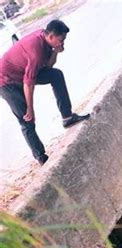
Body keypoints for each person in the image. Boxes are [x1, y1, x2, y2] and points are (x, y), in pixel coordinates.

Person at [0, 19, 89, 165]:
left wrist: (55, 51)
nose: (62, 43)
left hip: (21, 74)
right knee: (27, 119)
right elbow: (28, 84)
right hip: (6, 81)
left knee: (56, 75)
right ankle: (41, 157)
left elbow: (48, 66)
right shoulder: (35, 50)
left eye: (64, 40)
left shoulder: (47, 42)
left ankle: (67, 117)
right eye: (61, 40)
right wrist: (30, 108)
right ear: (51, 36)